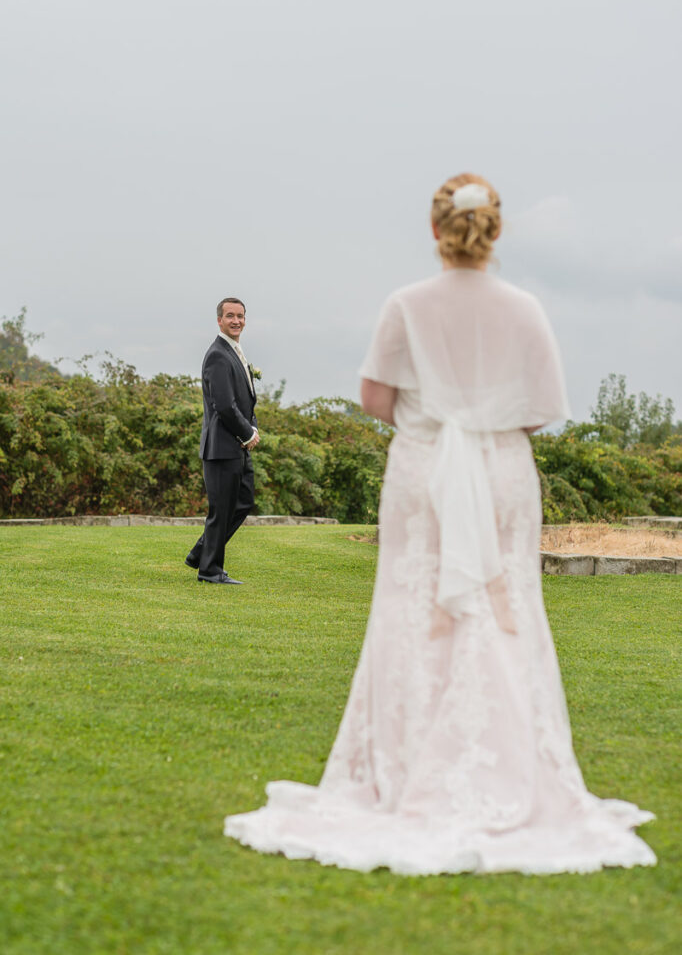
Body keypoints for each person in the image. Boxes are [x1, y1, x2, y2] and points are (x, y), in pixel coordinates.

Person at [224, 175, 656, 874]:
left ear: (436, 231)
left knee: (413, 606)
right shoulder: (525, 308)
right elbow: (543, 406)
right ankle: (515, 769)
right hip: (501, 472)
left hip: (424, 469)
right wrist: (480, 424)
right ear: (496, 230)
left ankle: (403, 770)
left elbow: (373, 397)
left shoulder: (406, 304)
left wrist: (436, 426)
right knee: (504, 604)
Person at [185, 297, 259, 585]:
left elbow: (244, 402)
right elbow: (224, 405)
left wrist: (252, 427)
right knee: (221, 510)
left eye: (240, 316)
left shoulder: (234, 352)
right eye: (230, 316)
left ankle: (200, 555)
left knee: (243, 501)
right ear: (219, 320)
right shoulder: (218, 354)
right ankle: (210, 570)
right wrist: (248, 433)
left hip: (236, 446)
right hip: (221, 447)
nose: (236, 321)